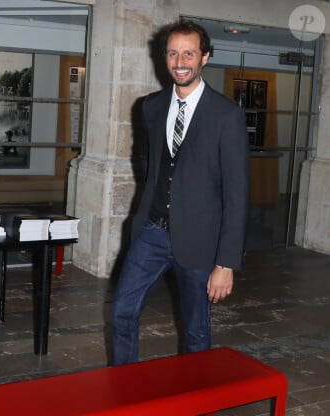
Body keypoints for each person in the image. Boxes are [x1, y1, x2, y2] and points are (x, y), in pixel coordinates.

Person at [110, 20, 250, 365]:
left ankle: (195, 401)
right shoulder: (152, 106)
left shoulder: (226, 115)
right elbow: (148, 161)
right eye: (173, 53)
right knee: (121, 312)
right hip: (152, 232)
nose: (180, 61)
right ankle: (122, 389)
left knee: (196, 330)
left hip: (201, 241)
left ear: (205, 57)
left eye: (189, 53)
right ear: (165, 57)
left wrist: (226, 263)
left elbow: (237, 194)